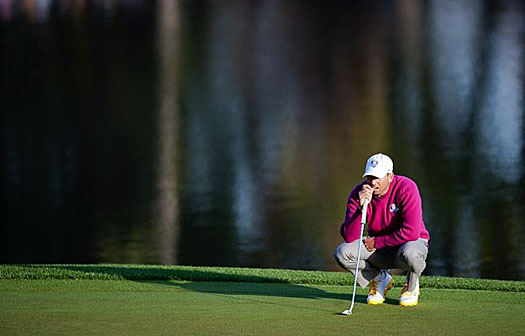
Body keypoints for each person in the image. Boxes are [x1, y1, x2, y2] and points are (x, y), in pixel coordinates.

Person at [334, 153, 430, 307]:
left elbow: (411, 231)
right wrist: (361, 208)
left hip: (409, 243)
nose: (372, 182)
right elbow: (350, 237)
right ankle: (380, 278)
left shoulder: (406, 187)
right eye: (370, 177)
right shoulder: (359, 193)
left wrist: (378, 242)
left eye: (377, 178)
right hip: (381, 249)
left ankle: (411, 286)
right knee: (342, 253)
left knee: (411, 253)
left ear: (390, 177)